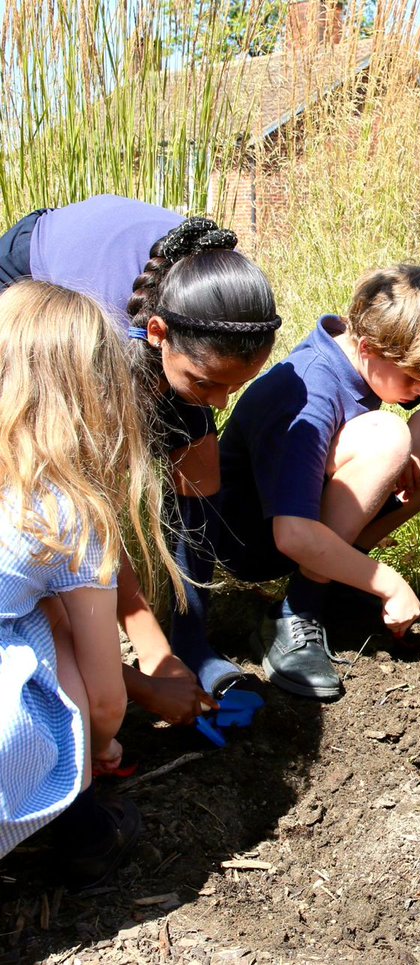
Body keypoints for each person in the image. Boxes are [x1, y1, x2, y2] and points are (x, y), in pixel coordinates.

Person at [0, 195, 281, 720]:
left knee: (199, 461)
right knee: (64, 488)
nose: (222, 402)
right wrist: (147, 662)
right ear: (158, 336)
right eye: (207, 383)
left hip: (154, 317)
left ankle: (193, 639)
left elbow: (199, 407)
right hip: (39, 287)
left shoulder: (214, 308)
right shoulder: (96, 341)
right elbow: (87, 509)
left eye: (235, 387)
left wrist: (175, 653)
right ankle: (73, 654)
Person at [216, 264, 420, 699]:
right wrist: (388, 581)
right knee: (390, 436)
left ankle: (330, 579)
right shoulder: (310, 391)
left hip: (301, 523)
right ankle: (297, 613)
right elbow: (292, 534)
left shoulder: (369, 356)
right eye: (413, 378)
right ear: (368, 347)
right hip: (251, 540)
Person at [0, 281, 181, 887]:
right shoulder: (61, 512)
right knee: (62, 634)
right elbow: (105, 700)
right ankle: (78, 831)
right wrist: (101, 744)